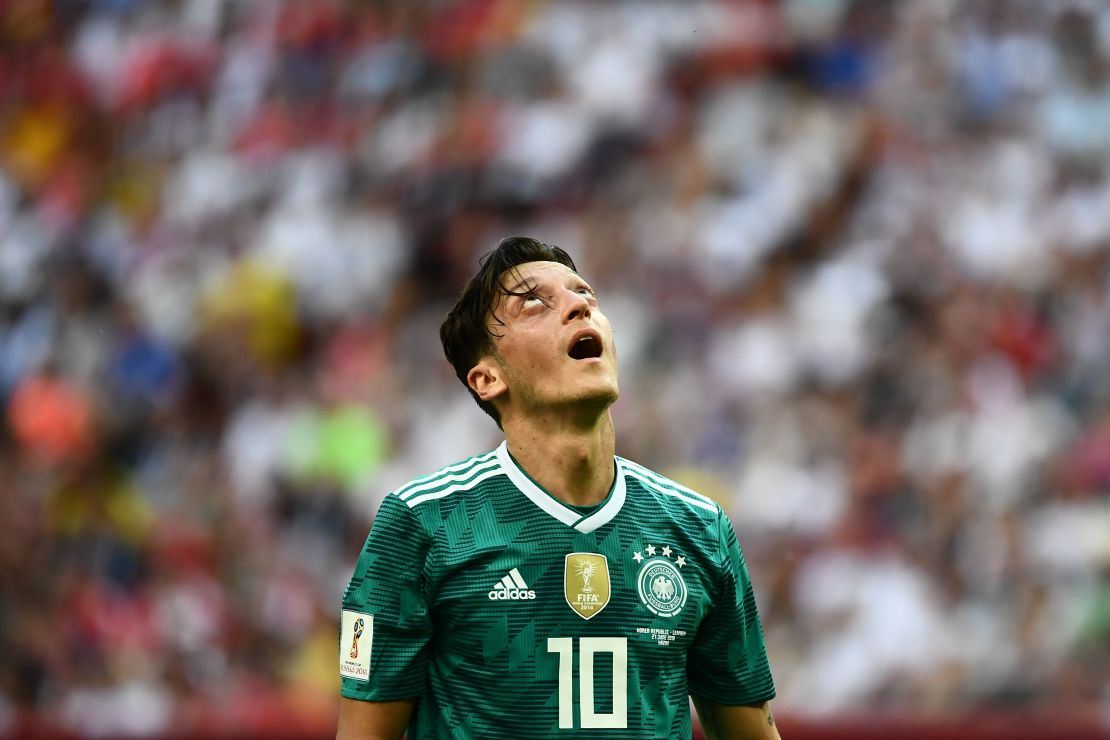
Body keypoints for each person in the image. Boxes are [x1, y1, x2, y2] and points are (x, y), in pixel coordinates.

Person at [336, 237, 780, 739]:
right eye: (533, 302)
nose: (578, 306)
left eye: (585, 294)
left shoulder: (699, 529)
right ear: (487, 378)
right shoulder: (422, 523)